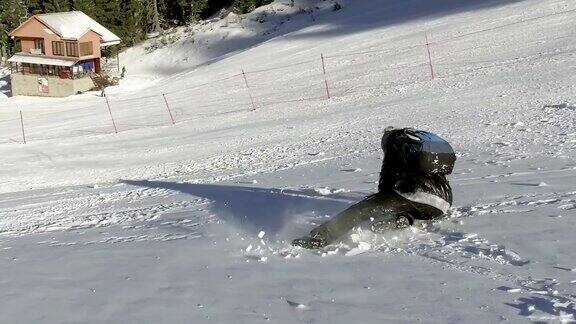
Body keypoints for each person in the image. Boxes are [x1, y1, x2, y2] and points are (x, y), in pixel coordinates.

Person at [292, 127, 456, 249]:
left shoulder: (396, 144)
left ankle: (322, 237)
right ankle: (404, 219)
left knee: (362, 210)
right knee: (409, 205)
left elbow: (388, 175)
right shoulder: (420, 143)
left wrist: (380, 200)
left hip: (417, 192)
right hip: (442, 202)